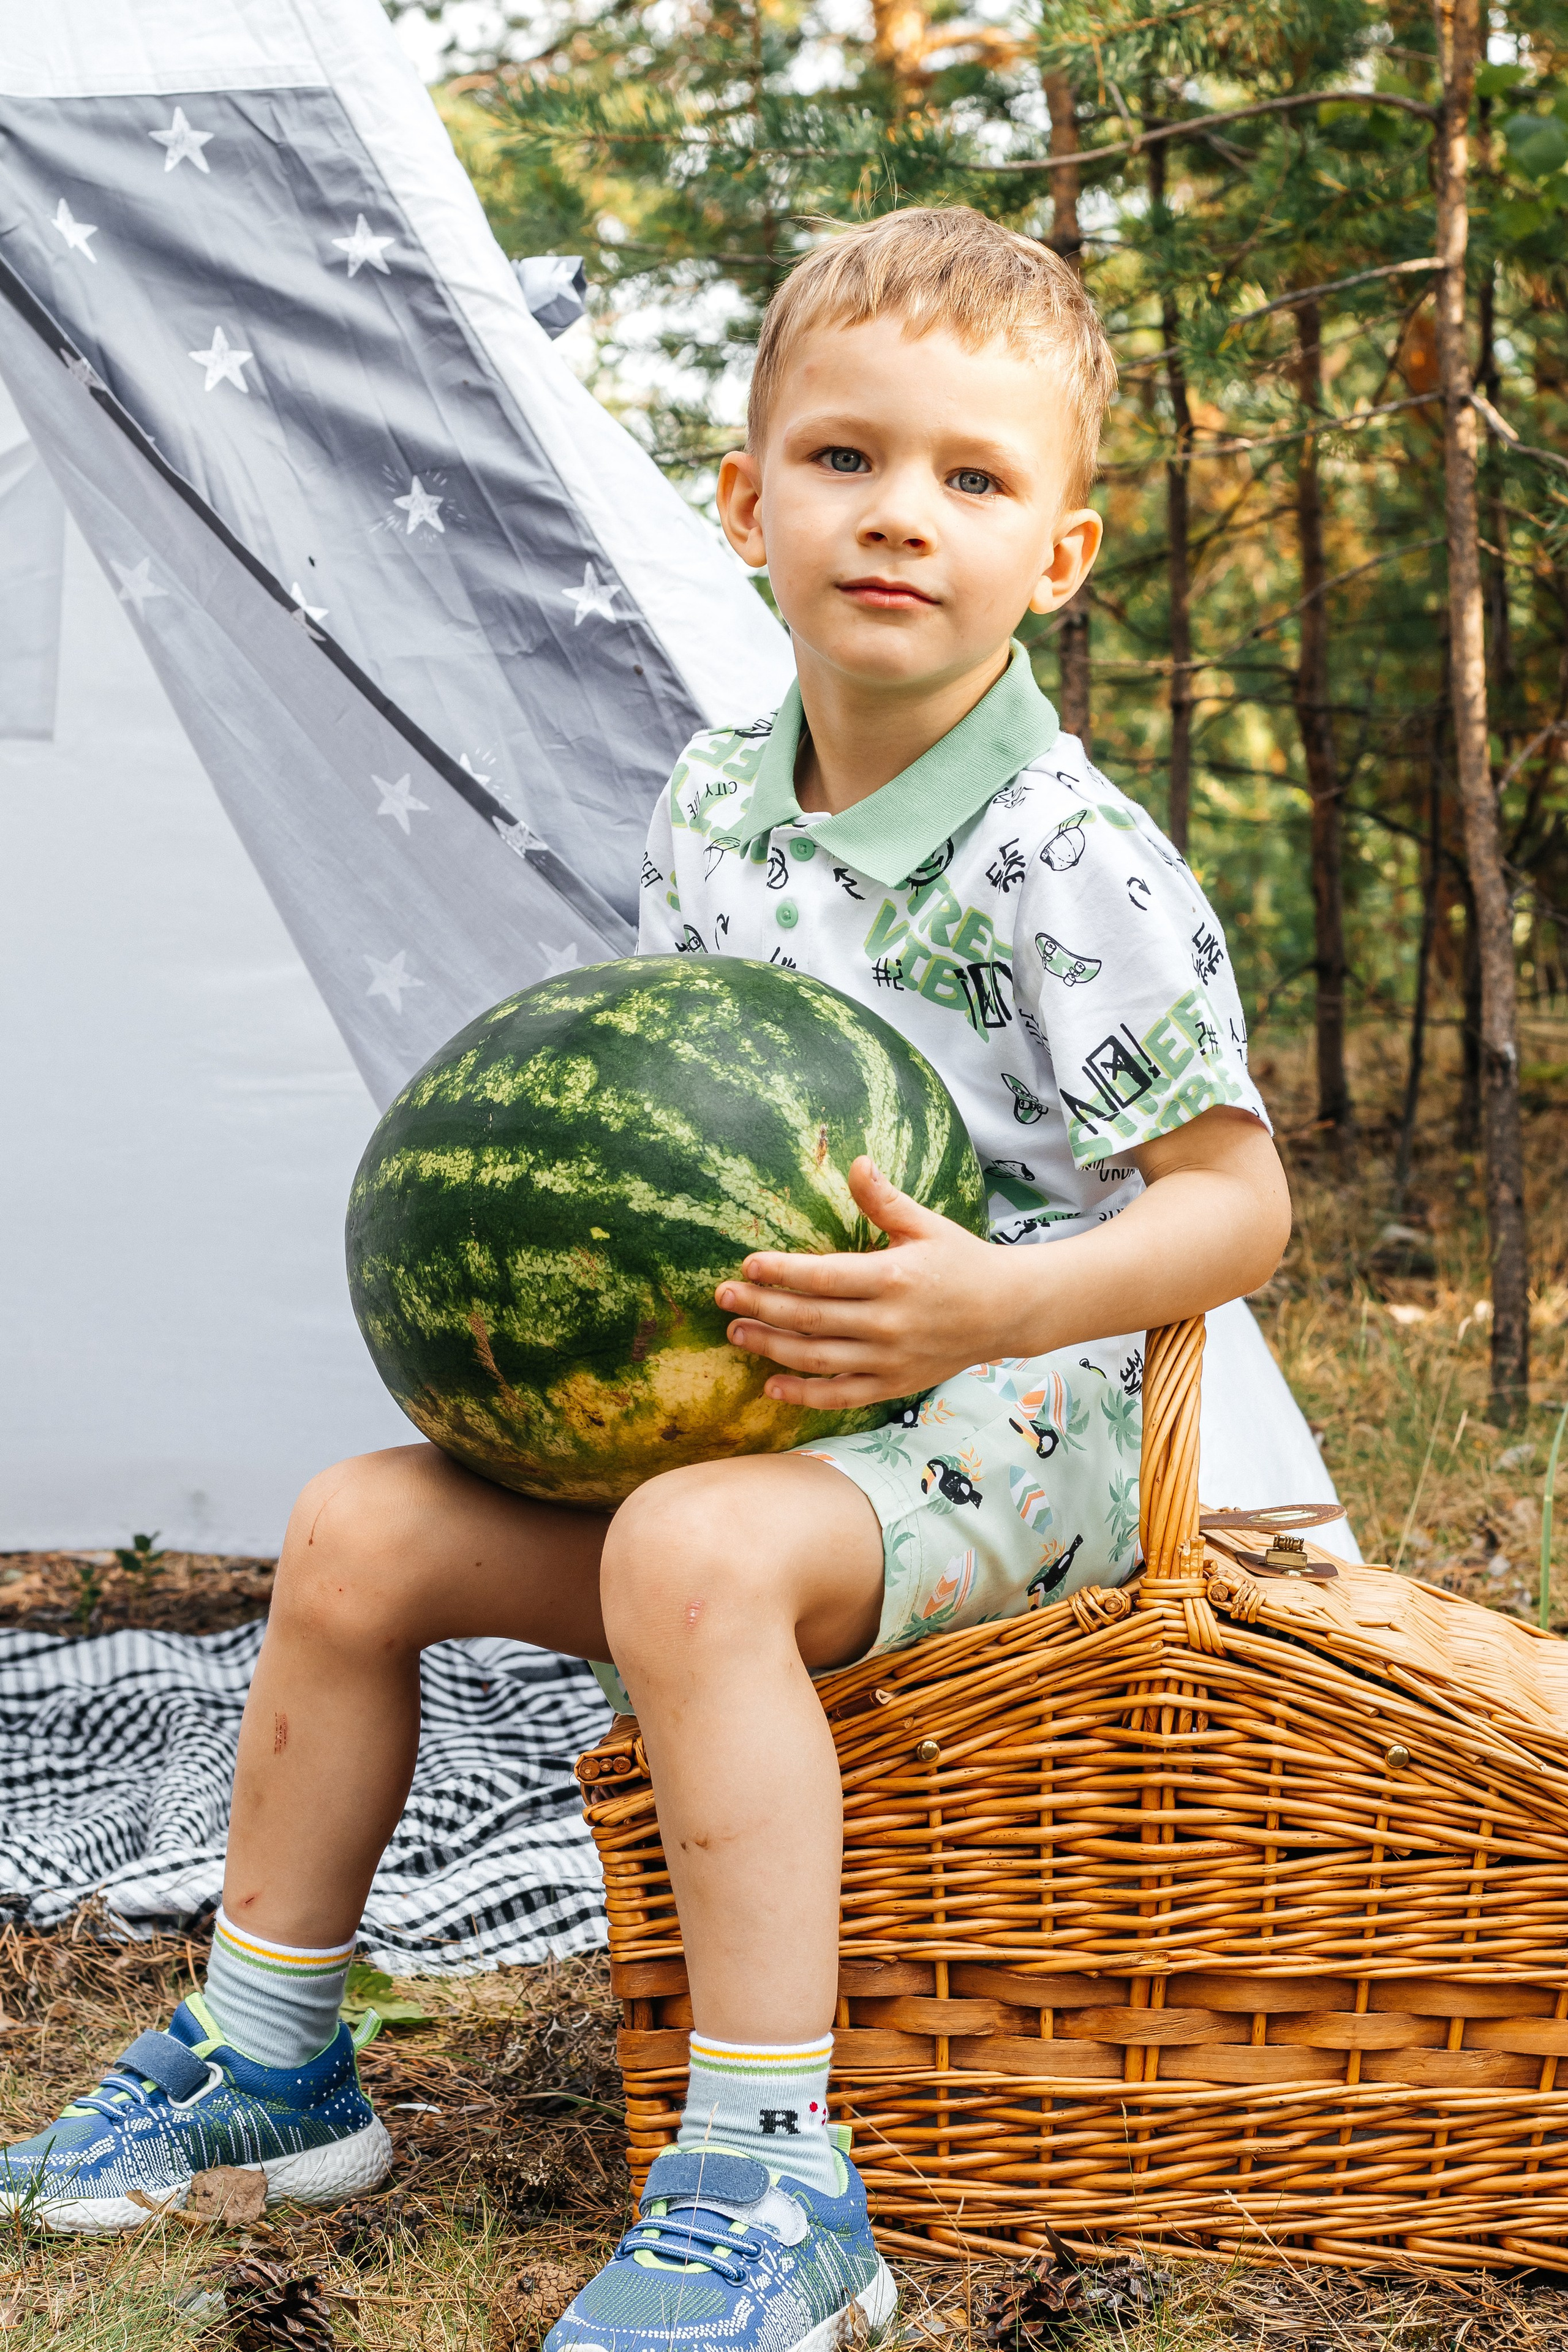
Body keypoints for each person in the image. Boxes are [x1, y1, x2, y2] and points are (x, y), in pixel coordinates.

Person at [2, 206, 1289, 2345]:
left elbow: (1239, 1208)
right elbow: (669, 1131)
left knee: (688, 1558)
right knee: (354, 1531)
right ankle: (271, 2060)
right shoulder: (713, 797)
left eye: (974, 481)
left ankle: (778, 2183)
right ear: (745, 500)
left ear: (1058, 557)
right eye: (848, 461)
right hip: (758, 1411)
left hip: (1010, 1424)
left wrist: (990, 1298)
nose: (902, 519)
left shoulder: (1076, 861)